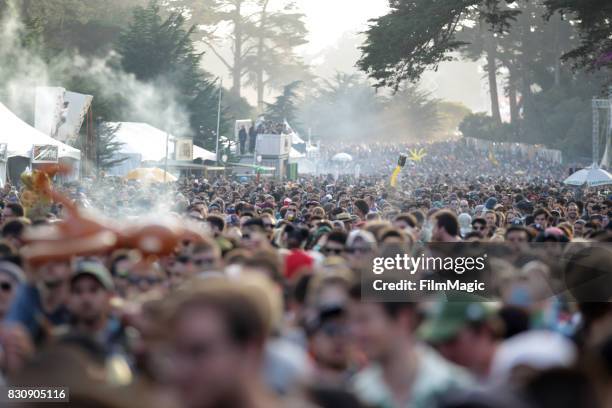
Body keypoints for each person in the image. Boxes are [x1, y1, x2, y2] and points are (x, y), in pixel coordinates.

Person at [349, 285, 472, 408]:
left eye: (364, 319)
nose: (355, 331)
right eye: (352, 321)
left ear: (403, 318)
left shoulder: (457, 389)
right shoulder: (357, 393)